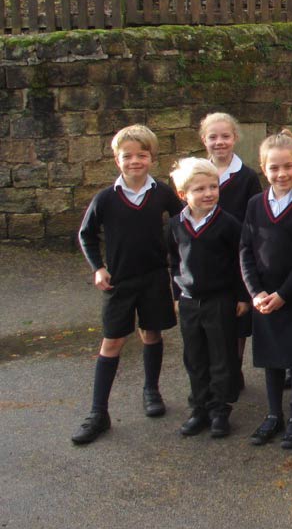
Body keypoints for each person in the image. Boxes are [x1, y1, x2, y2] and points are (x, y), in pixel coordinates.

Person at [72, 125, 184, 445]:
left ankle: (152, 390)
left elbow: (182, 225)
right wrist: (98, 268)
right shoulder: (105, 198)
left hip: (153, 277)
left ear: (152, 157)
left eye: (142, 155)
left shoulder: (162, 193)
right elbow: (86, 234)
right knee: (112, 341)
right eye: (128, 156)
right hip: (119, 281)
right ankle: (98, 412)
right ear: (116, 160)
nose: (135, 161)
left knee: (151, 333)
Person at [240, 131, 292, 449]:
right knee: (271, 360)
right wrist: (256, 292)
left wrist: (283, 295)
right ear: (264, 168)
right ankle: (274, 415)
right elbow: (245, 250)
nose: (281, 174)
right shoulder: (254, 205)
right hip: (264, 298)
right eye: (274, 168)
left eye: (288, 166)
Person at [167, 157, 248, 438]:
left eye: (213, 187)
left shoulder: (228, 224)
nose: (208, 193)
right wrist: (177, 293)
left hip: (220, 300)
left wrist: (241, 296)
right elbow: (173, 261)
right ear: (183, 194)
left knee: (221, 356)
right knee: (195, 357)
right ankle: (199, 407)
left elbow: (241, 262)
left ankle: (220, 410)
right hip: (190, 301)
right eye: (199, 189)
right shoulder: (176, 225)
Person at [199, 112, 262, 388]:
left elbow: (255, 217)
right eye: (213, 137)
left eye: (225, 136)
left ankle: (234, 372)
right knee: (209, 320)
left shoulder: (246, 176)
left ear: (235, 138)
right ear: (204, 140)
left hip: (236, 257)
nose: (219, 142)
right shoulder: (197, 173)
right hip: (206, 257)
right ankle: (214, 372)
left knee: (237, 319)